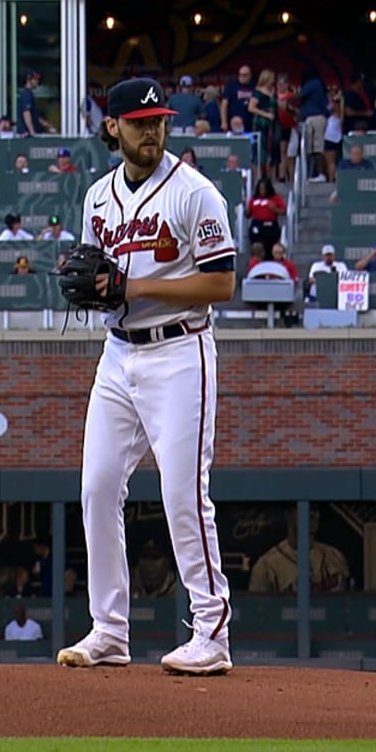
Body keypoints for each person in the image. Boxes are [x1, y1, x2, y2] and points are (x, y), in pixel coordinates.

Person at [56, 77, 236, 676]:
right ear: (113, 128)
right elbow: (99, 279)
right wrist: (100, 291)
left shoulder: (195, 193)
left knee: (183, 493)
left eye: (158, 120)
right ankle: (109, 629)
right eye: (138, 122)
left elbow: (220, 283)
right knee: (97, 488)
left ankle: (211, 631)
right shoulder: (97, 198)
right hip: (118, 354)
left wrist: (134, 287)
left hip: (181, 351)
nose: (152, 130)